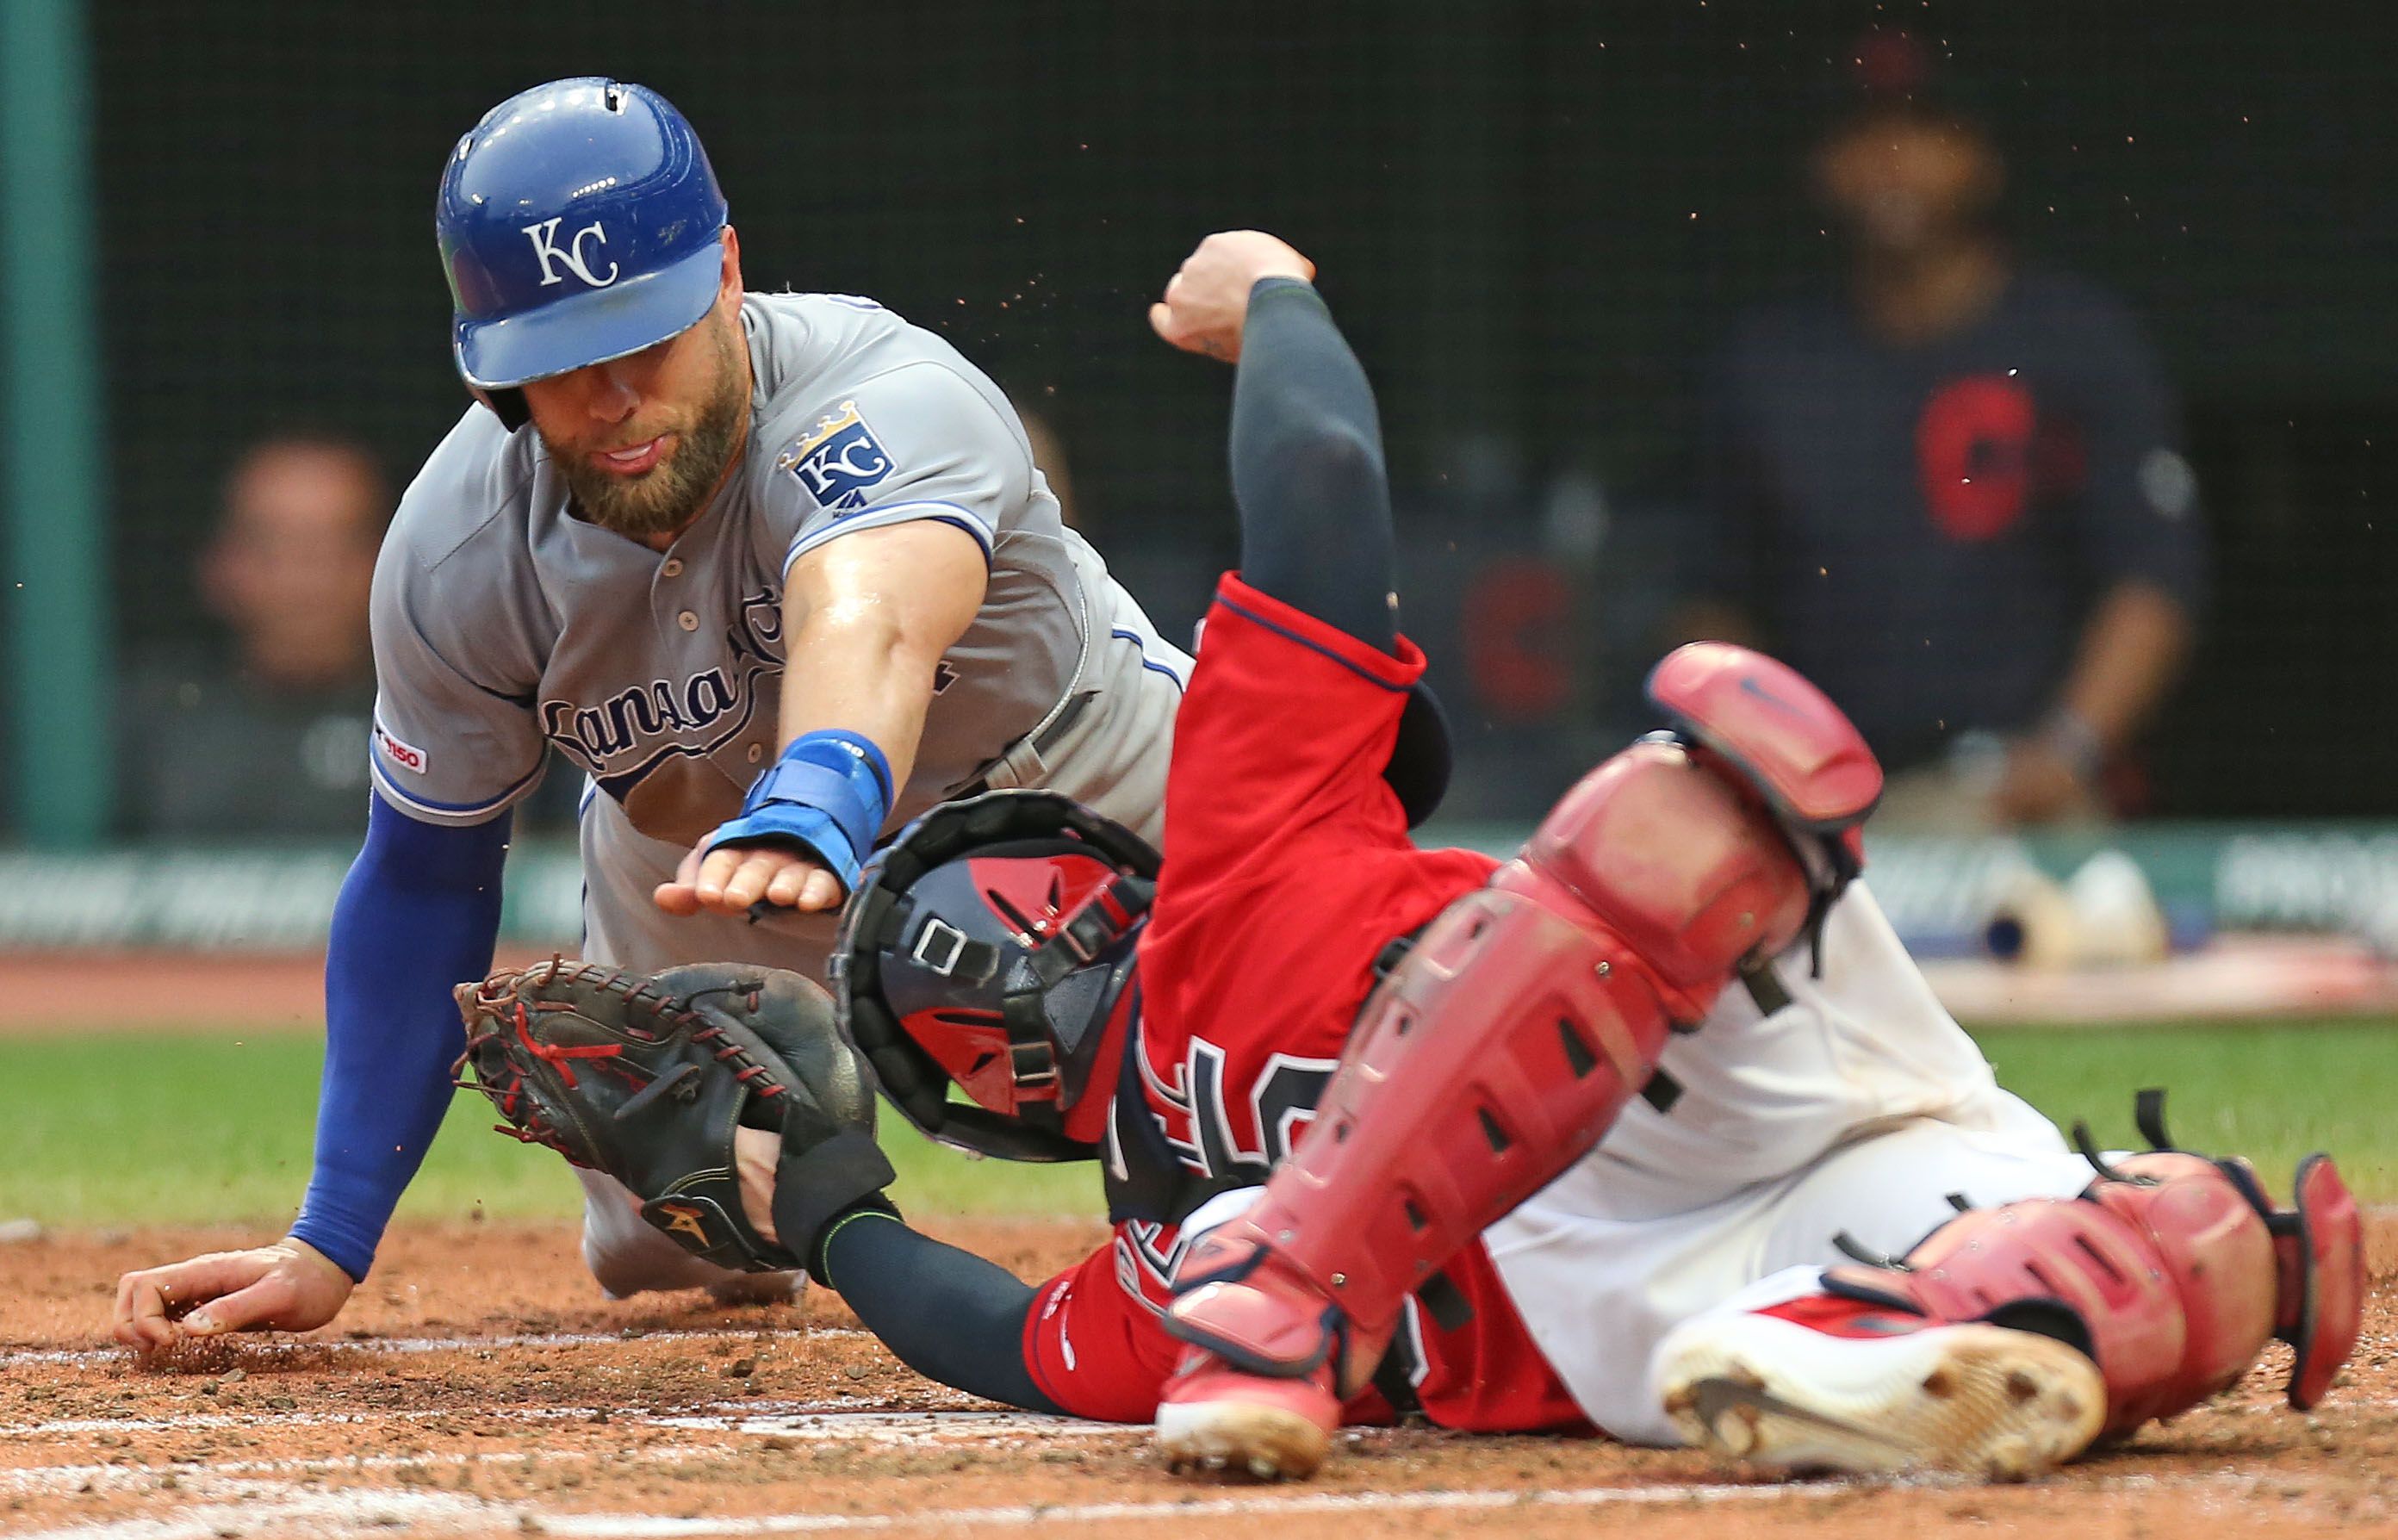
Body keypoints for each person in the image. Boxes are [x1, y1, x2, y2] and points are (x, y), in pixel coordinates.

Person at [702, 234, 2352, 1481]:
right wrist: (1278, 295)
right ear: (1088, 873)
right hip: (1661, 1071)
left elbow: (991, 1338)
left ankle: (1858, 1326)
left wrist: (830, 1213)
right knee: (1696, 800)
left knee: (2185, 1238)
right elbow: (1325, 477)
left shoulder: (1147, 1276)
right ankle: (1940, 1296)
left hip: (1604, 1323)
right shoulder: (1220, 860)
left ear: (996, 1102)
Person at [109, 77, 1187, 1346]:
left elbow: (872, 617)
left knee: (1284, 1080)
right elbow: (422, 876)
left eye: (644, 335)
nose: (611, 394)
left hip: (1080, 770)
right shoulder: (460, 550)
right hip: (710, 868)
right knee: (670, 1241)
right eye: (557, 363)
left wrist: (820, 793)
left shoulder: (883, 395)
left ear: (726, 271)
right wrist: (330, 1234)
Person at [1687, 46, 2205, 829]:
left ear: (1981, 157)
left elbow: (2154, 582)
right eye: (1867, 135)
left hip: (2017, 785)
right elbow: (1707, 599)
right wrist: (1764, 753)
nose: (1894, 163)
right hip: (1822, 793)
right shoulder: (1769, 360)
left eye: (1925, 131)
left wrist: (2068, 750)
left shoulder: (2074, 339)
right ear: (1823, 166)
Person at [119, 437, 387, 839]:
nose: (305, 581)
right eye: (272, 548)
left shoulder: (446, 721)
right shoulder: (143, 721)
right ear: (218, 564)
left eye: (335, 548)